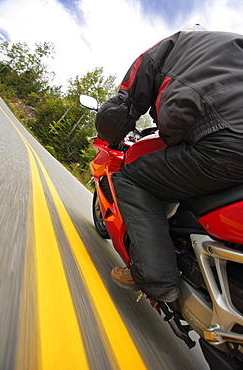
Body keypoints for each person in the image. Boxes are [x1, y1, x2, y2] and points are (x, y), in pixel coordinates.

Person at [95, 25, 243, 302]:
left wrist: (108, 135)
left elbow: (123, 107)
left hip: (224, 142)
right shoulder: (234, 47)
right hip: (227, 141)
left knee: (131, 179)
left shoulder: (168, 48)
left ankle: (156, 278)